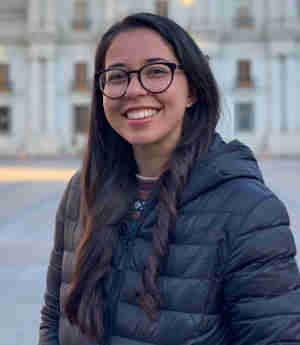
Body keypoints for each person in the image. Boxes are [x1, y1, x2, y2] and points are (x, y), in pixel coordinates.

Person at [38, 12, 300, 345]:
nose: (134, 90)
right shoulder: (81, 190)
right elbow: (53, 318)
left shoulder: (248, 209)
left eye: (156, 72)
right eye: (117, 76)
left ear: (192, 90)